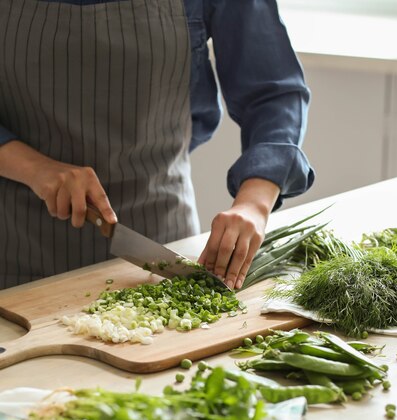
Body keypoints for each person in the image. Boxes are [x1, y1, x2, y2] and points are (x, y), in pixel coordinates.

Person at [0, 0, 314, 291]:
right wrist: (35, 168)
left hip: (163, 243)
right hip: (14, 248)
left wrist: (255, 203)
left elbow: (274, 93)